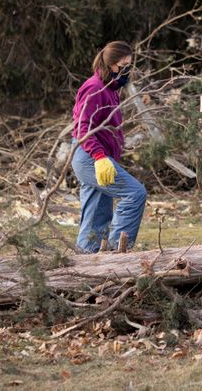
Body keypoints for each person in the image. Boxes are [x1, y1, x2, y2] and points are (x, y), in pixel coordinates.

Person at [71, 41, 147, 253]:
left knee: (97, 215)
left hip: (98, 157)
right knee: (135, 194)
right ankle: (116, 253)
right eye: (123, 65)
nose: (127, 70)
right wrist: (100, 157)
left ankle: (85, 266)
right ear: (110, 64)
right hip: (89, 156)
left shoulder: (111, 88)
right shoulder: (94, 87)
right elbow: (82, 127)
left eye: (129, 64)